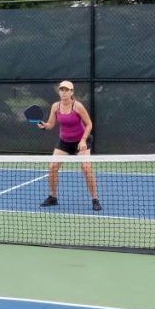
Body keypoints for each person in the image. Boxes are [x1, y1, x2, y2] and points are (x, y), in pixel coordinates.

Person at [36, 80, 102, 211]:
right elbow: (50, 124)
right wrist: (44, 126)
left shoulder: (77, 106)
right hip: (64, 142)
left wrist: (83, 140)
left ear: (72, 92)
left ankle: (95, 199)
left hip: (81, 142)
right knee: (52, 166)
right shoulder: (55, 106)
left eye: (67, 90)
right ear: (59, 91)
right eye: (62, 90)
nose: (64, 92)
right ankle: (53, 197)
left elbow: (89, 124)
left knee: (86, 168)